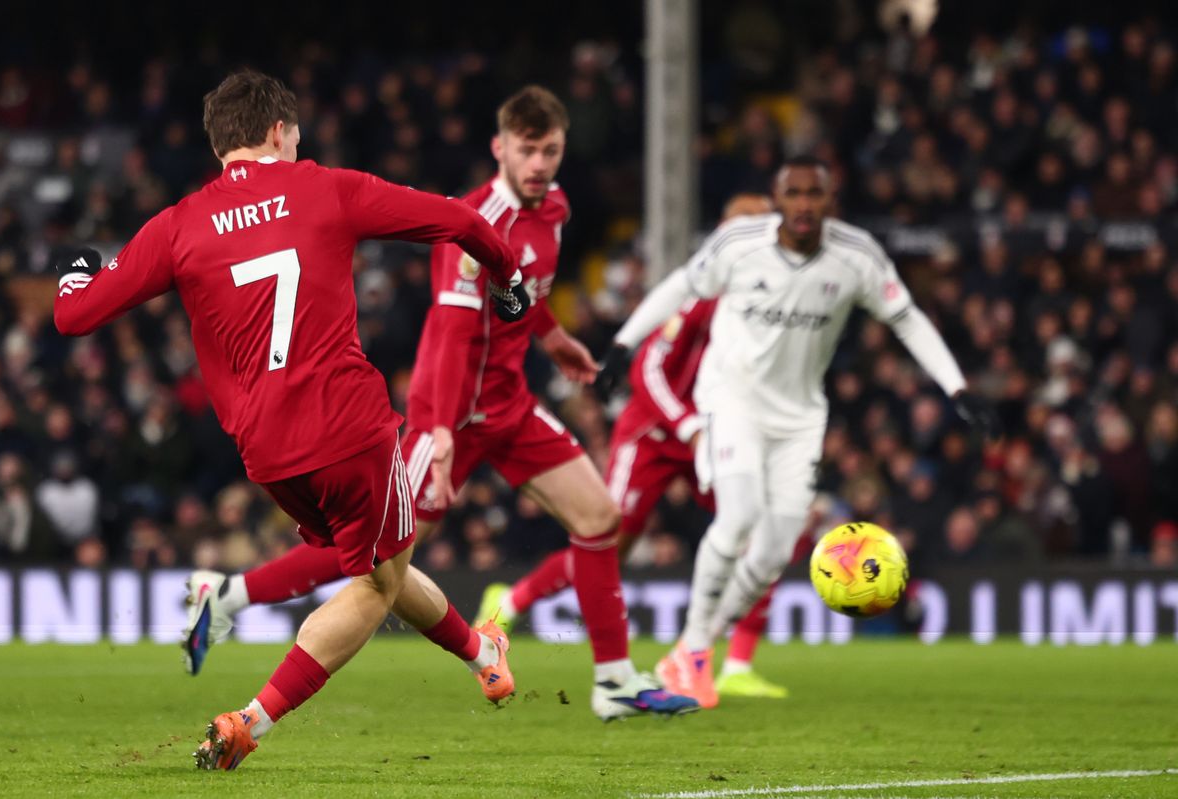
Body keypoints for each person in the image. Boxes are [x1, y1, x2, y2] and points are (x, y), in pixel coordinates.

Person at [54, 70, 531, 771]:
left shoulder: (179, 223)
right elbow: (461, 220)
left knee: (386, 562)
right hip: (349, 425)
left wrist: (75, 265)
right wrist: (508, 278)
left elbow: (75, 314)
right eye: (297, 132)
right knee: (376, 583)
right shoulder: (322, 186)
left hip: (267, 451)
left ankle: (483, 652)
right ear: (279, 131)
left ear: (222, 145)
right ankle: (251, 718)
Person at [179, 85, 698, 722]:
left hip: (510, 406)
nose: (539, 165)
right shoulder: (477, 221)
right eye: (527, 150)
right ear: (499, 148)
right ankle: (230, 594)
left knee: (598, 519)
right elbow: (453, 331)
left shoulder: (555, 209)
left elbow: (519, 296)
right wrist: (443, 430)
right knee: (380, 560)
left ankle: (615, 680)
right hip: (448, 413)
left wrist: (554, 337)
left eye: (551, 151)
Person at [596, 156, 1001, 708]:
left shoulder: (856, 256)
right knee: (738, 515)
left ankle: (689, 653)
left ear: (830, 201)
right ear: (778, 198)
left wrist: (958, 389)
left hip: (801, 416)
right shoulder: (740, 243)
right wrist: (624, 342)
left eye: (816, 195)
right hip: (731, 399)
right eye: (796, 194)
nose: (805, 205)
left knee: (773, 550)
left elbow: (905, 317)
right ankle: (693, 653)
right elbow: (678, 285)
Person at [477, 193, 813, 700]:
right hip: (653, 434)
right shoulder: (697, 297)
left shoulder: (763, 302)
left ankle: (736, 665)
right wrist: (688, 426)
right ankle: (514, 597)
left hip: (711, 434)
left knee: (760, 531)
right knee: (608, 542)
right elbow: (648, 369)